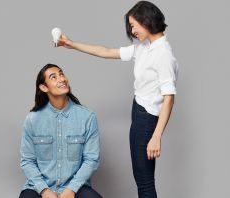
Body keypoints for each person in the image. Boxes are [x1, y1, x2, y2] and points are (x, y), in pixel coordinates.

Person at [57, 1, 179, 198]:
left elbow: (169, 98)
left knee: (145, 182)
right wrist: (72, 44)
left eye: (133, 25)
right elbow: (107, 52)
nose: (131, 31)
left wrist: (156, 136)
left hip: (147, 120)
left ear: (146, 20)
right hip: (139, 114)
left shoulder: (163, 54)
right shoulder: (145, 47)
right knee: (142, 179)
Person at [19, 63, 102, 198]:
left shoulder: (87, 117)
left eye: (61, 74)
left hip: (76, 187)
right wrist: (44, 191)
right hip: (39, 187)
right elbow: (27, 161)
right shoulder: (32, 120)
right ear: (44, 87)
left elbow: (91, 160)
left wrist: (71, 190)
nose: (62, 79)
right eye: (54, 77)